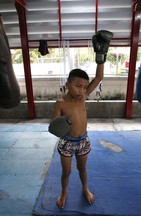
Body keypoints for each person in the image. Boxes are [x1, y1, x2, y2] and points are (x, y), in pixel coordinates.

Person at [50, 30, 113, 209]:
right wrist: (63, 123)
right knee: (66, 171)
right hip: (67, 142)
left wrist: (101, 56)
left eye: (84, 87)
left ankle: (85, 188)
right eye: (78, 86)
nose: (81, 90)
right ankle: (64, 192)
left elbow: (99, 77)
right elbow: (54, 128)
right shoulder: (60, 103)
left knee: (83, 168)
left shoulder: (84, 96)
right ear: (67, 84)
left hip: (83, 140)